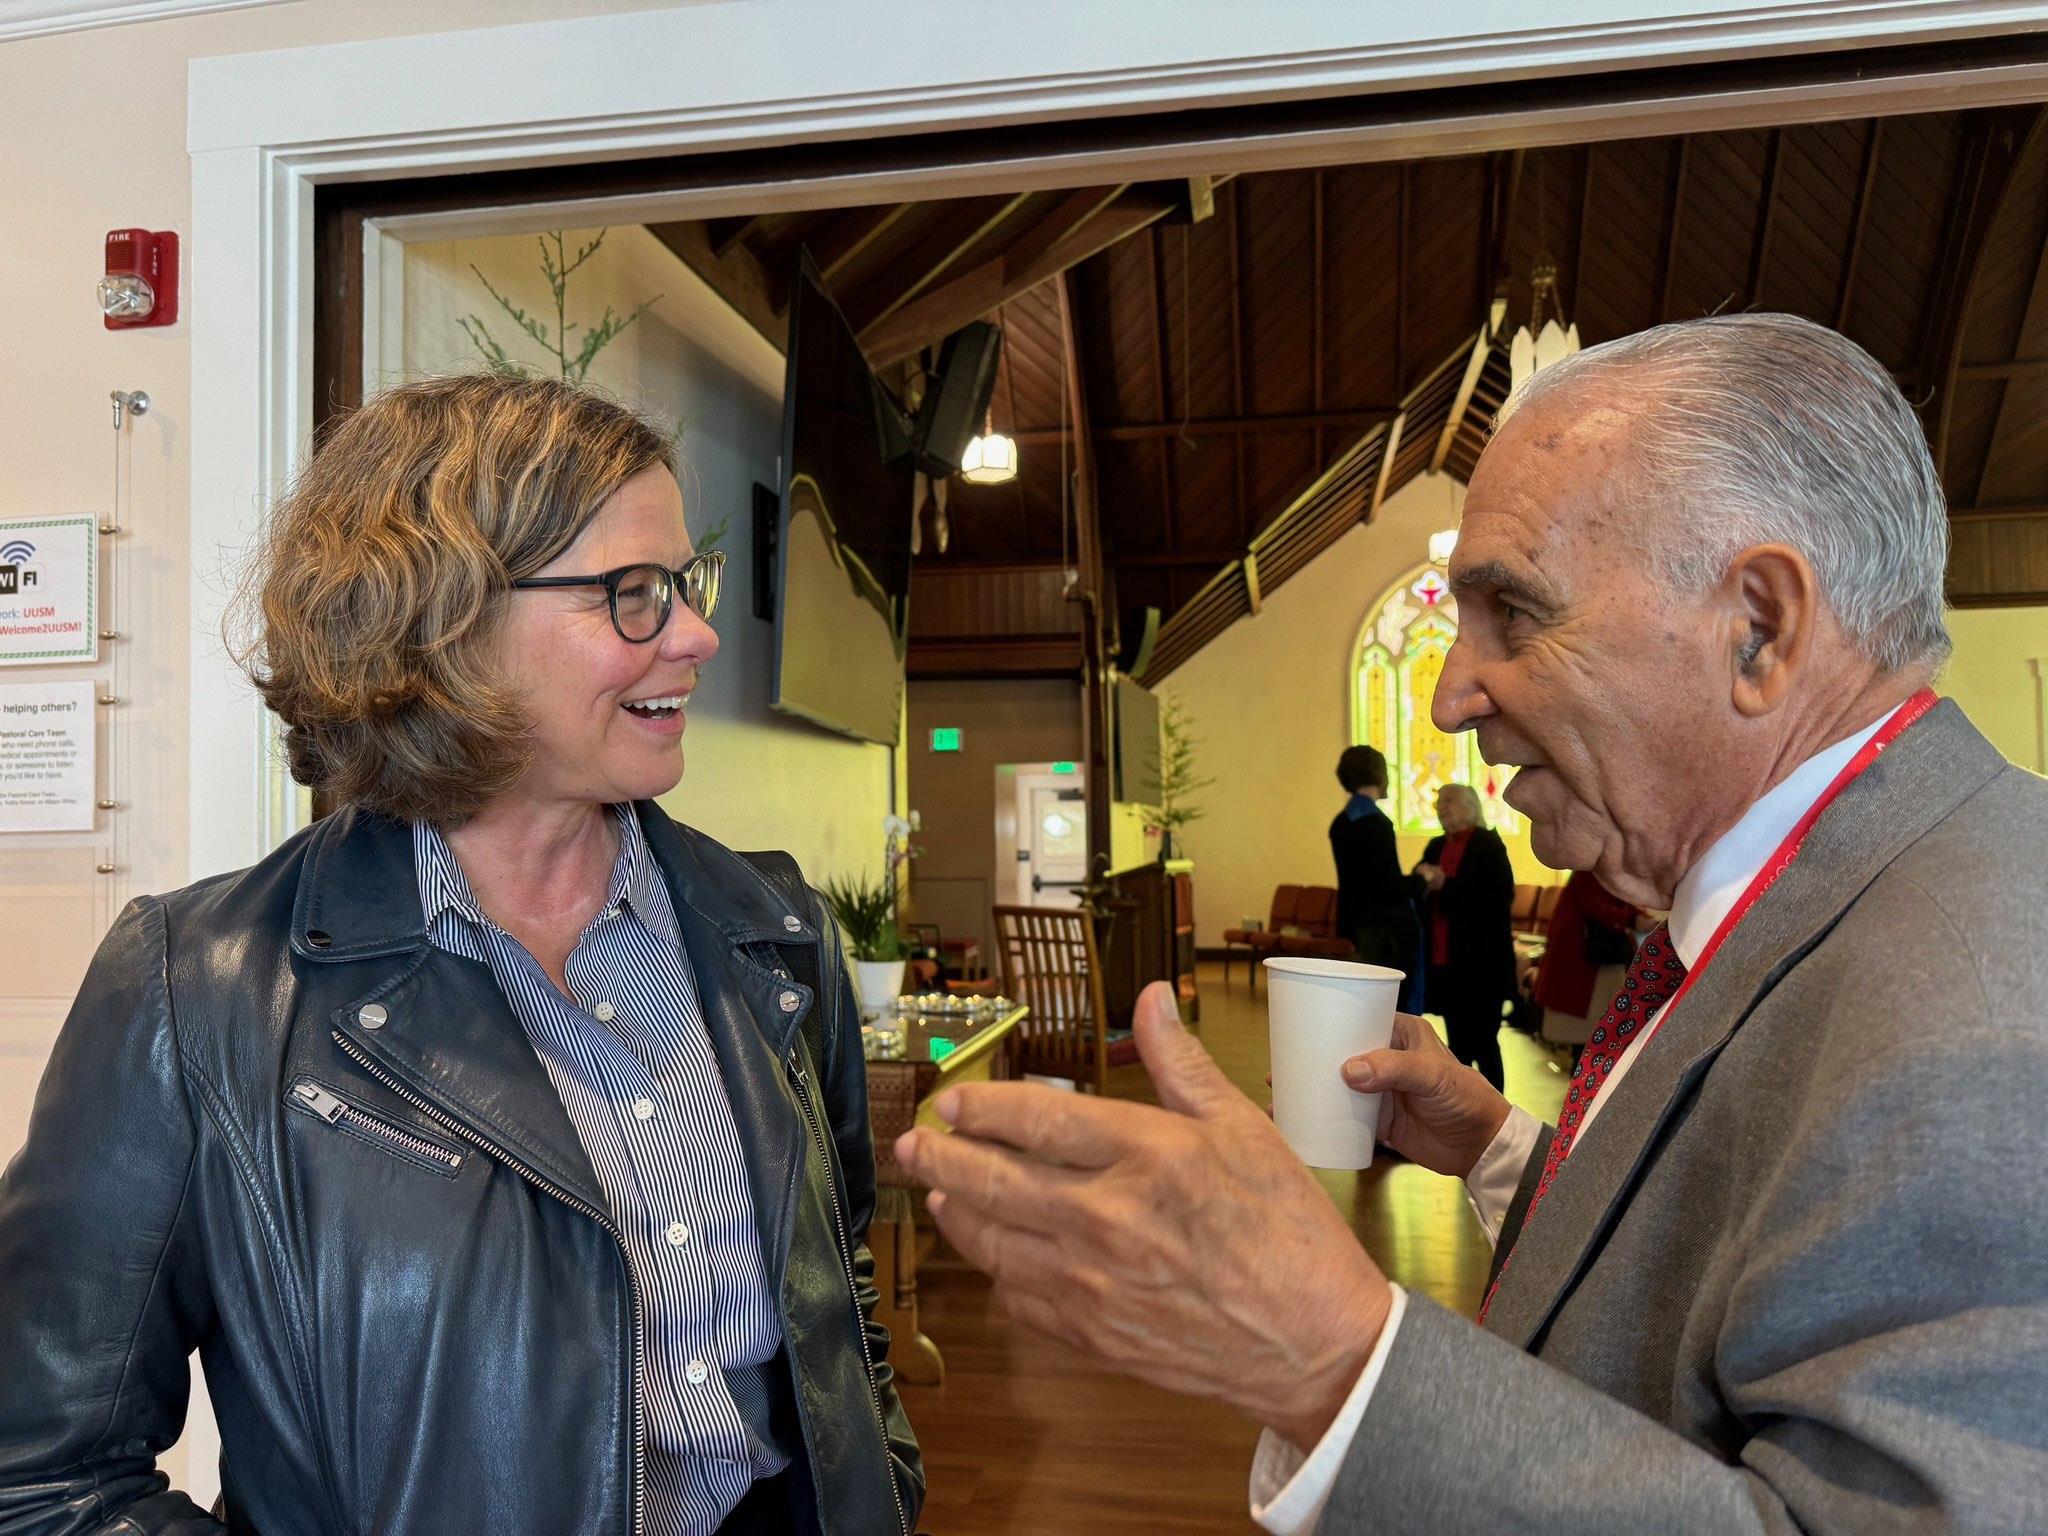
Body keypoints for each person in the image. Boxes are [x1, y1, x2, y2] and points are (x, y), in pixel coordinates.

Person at [893, 313, 2048, 1533]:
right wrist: (1507, 1153)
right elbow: (1736, 1261)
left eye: (1515, 614)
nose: (1448, 695)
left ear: (1754, 627)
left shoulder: (1979, 1017)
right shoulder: (1825, 891)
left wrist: (1335, 1357)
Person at [0, 375, 922, 1536]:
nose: (694, 635)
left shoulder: (768, 935)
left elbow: (836, 1307)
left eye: (686, 585)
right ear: (445, 623)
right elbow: (43, 1477)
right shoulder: (201, 990)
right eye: (630, 595)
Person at [1410, 783, 1516, 1089]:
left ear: (1470, 807)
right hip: (1446, 958)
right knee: (1457, 1040)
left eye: (1449, 802)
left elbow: (1497, 898)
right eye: (1439, 802)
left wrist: (1446, 885)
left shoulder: (1488, 845)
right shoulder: (1435, 846)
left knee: (1484, 1038)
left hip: (1482, 961)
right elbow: (1418, 890)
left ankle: (1496, 1106)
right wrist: (1423, 881)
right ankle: (1461, 1103)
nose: (1441, 808)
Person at [1328, 744, 1421, 1009]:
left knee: (1366, 1007)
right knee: (1391, 1008)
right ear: (1380, 775)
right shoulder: (1376, 823)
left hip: (1358, 924)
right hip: (1387, 932)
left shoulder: (1341, 822)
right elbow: (1388, 887)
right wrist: (1421, 880)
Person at [1532, 870, 1643, 1059]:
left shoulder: (1594, 870)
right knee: (1591, 1042)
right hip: (1586, 963)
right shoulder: (1589, 872)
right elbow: (1596, 907)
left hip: (1589, 962)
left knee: (1591, 1043)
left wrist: (1635, 916)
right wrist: (1633, 918)